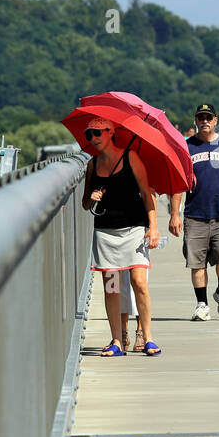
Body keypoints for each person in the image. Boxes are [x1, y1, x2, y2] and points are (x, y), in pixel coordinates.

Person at [81, 121, 162, 355]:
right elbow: (85, 204)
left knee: (139, 282)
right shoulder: (92, 164)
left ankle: (148, 338)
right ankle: (117, 341)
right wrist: (92, 198)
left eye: (97, 133)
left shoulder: (131, 158)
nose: (93, 137)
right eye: (89, 134)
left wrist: (153, 226)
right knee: (112, 288)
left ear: (110, 133)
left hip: (134, 229)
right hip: (106, 232)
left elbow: (147, 193)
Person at [169, 103, 219, 320]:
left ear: (215, 121)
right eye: (200, 117)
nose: (204, 121)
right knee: (197, 262)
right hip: (195, 215)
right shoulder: (186, 148)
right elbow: (178, 183)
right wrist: (174, 213)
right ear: (195, 121)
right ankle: (202, 304)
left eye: (208, 117)